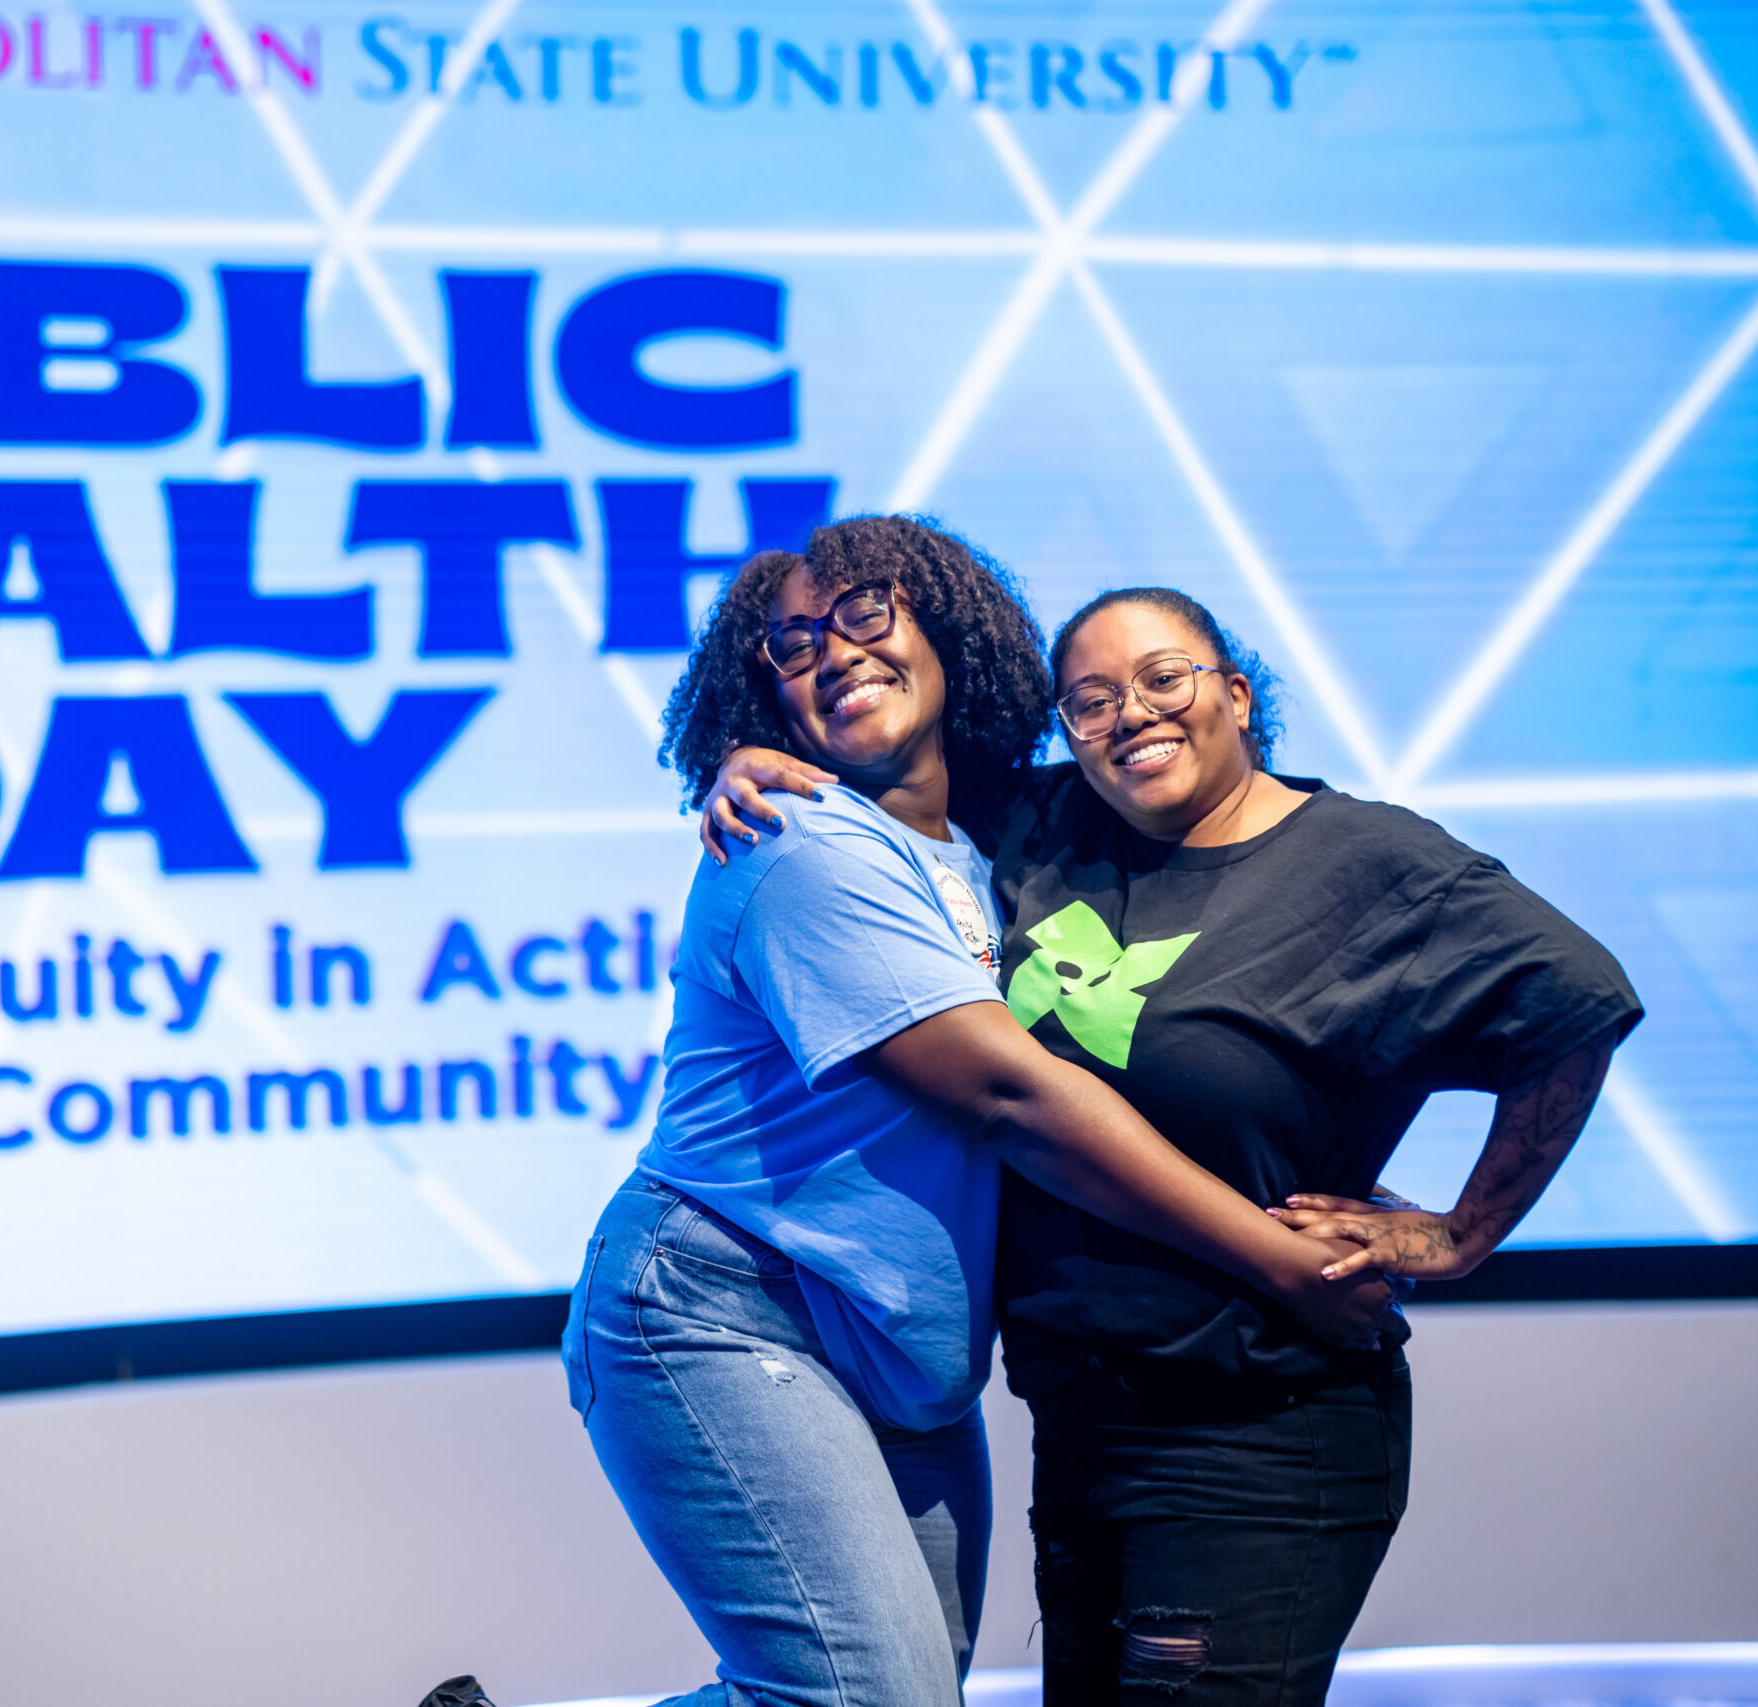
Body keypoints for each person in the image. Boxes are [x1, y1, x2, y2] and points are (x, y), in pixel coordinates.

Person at [428, 521, 1393, 1707]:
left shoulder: (995, 839)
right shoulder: (797, 843)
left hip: (899, 1349)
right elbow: (1011, 1095)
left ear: (951, 636)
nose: (830, 651)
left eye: (864, 615)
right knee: (861, 1703)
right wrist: (1277, 1259)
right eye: (791, 645)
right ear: (765, 695)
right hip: (728, 1310)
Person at [702, 581, 1641, 1707]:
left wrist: (1460, 1232)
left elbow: (1577, 1003)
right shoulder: (1047, 830)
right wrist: (744, 760)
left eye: (1163, 679)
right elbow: (890, 765)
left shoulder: (1370, 867)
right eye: (1088, 702)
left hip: (1253, 1427)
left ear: (1237, 696)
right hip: (1082, 1422)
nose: (1129, 716)